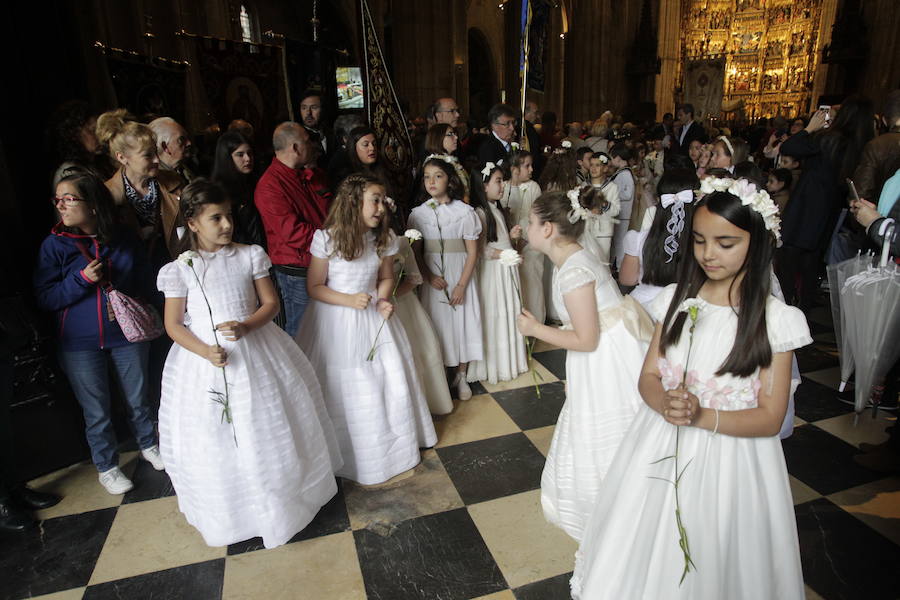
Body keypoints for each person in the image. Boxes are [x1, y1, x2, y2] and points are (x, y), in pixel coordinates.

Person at [570, 177, 811, 599]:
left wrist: (704, 415)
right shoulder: (677, 300)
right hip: (661, 440)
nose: (708, 254)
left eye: (725, 242)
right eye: (699, 241)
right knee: (652, 538)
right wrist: (664, 400)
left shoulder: (777, 320)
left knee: (717, 549)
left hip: (734, 458)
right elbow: (647, 376)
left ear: (758, 243)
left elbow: (771, 417)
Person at [156, 179, 340, 548]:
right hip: (206, 358)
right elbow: (174, 324)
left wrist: (246, 325)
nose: (226, 225)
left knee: (269, 422)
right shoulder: (180, 269)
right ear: (192, 224)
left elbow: (270, 304)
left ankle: (285, 501)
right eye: (215, 218)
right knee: (218, 432)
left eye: (228, 216)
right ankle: (235, 512)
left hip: (257, 346)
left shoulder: (250, 255)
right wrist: (206, 350)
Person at [515, 187, 653, 541]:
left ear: (548, 229)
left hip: (605, 358)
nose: (526, 227)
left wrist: (535, 329)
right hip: (612, 348)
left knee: (602, 429)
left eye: (530, 222)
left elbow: (586, 339)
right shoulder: (577, 256)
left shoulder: (572, 271)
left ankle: (614, 512)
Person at [295, 174, 436, 484]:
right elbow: (315, 287)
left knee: (383, 379)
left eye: (384, 200)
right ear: (353, 202)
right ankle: (346, 449)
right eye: (375, 199)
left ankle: (386, 450)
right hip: (336, 321)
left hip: (372, 314)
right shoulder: (327, 239)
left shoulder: (382, 240)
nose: (381, 207)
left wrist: (382, 298)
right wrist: (347, 299)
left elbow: (386, 278)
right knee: (345, 383)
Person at [34, 172, 164, 495]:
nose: (61, 205)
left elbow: (144, 280)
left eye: (69, 198)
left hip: (127, 333)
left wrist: (125, 294)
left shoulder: (123, 237)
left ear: (92, 205)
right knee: (96, 409)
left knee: (138, 396)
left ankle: (149, 444)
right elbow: (45, 297)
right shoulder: (55, 245)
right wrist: (81, 279)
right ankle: (107, 466)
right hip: (78, 343)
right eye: (58, 199)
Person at [777, 97, 876, 309]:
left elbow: (790, 147)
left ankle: (786, 310)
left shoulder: (829, 139)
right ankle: (803, 311)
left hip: (806, 207)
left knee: (788, 260)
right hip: (827, 211)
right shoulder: (860, 144)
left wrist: (810, 128)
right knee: (810, 263)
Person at [408, 156, 483, 400]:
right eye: (427, 177)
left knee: (461, 322)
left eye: (437, 176)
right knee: (437, 324)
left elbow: (473, 252)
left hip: (459, 274)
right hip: (435, 279)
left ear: (449, 180)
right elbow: (416, 253)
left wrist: (462, 284)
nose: (431, 181)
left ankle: (461, 375)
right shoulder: (418, 214)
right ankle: (441, 375)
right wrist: (428, 276)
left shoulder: (464, 212)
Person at [254, 122, 332, 335]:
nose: (313, 146)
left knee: (328, 329)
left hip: (325, 259)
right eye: (308, 142)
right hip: (299, 270)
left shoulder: (310, 174)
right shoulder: (270, 185)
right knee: (303, 328)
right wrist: (335, 240)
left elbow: (330, 212)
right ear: (296, 148)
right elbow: (293, 233)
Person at [386, 203, 454, 416]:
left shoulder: (401, 243)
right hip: (377, 307)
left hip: (402, 303)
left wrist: (395, 294)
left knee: (418, 351)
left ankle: (426, 403)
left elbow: (415, 278)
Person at [467, 162, 527, 384]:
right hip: (494, 273)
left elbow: (498, 240)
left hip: (505, 268)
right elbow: (481, 250)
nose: (502, 186)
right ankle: (494, 365)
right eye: (498, 181)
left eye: (502, 181)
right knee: (496, 314)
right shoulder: (480, 213)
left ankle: (509, 361)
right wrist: (505, 253)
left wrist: (511, 238)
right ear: (483, 186)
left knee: (509, 312)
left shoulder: (496, 210)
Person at [96, 109, 184, 262]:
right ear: (122, 157)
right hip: (136, 277)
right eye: (147, 155)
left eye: (155, 152)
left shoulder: (175, 182)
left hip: (175, 268)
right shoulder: (106, 195)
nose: (157, 160)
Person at [619, 169, 700, 310]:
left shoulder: (638, 239)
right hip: (684, 306)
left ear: (658, 201)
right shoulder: (700, 242)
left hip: (643, 309)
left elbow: (627, 279)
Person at [506, 150, 545, 322]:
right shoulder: (505, 187)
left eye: (531, 165)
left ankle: (535, 319)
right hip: (510, 242)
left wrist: (524, 240)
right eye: (526, 166)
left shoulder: (533, 187)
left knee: (532, 280)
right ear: (514, 169)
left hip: (530, 242)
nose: (531, 169)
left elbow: (535, 216)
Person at [211, 131, 265, 247]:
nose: (247, 159)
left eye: (250, 153)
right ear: (227, 158)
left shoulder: (258, 182)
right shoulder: (219, 191)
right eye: (240, 155)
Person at [423, 123, 470, 202]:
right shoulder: (434, 164)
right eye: (450, 134)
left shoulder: (450, 160)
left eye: (455, 134)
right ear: (438, 138)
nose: (456, 137)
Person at [609, 145, 636, 267]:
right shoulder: (622, 172)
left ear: (618, 158)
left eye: (612, 158)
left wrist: (612, 193)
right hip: (621, 213)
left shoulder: (625, 174)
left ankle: (620, 266)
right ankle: (616, 264)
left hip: (623, 213)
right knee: (617, 241)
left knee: (620, 241)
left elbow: (628, 194)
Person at [148, 117, 194, 184]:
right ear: (165, 147)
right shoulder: (157, 183)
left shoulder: (186, 170)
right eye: (181, 139)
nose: (189, 143)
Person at [477, 104, 517, 168]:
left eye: (513, 123)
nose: (512, 128)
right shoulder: (487, 148)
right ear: (494, 126)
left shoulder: (514, 142)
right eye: (507, 124)